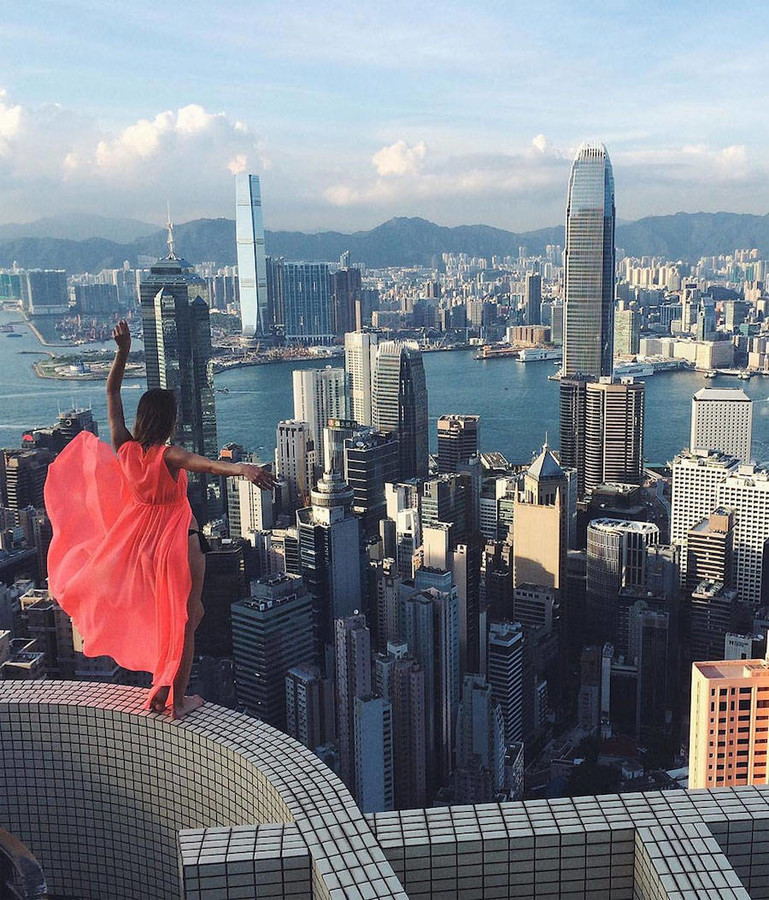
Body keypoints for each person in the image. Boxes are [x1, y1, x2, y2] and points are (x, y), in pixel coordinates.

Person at [45, 320, 275, 718]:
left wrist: (122, 352)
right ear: (167, 421)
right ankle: (177, 701)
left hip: (142, 550)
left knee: (166, 617)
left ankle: (161, 688)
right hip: (181, 546)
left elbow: (112, 393)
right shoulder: (167, 456)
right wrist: (244, 469)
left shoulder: (125, 449)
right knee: (188, 618)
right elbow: (207, 465)